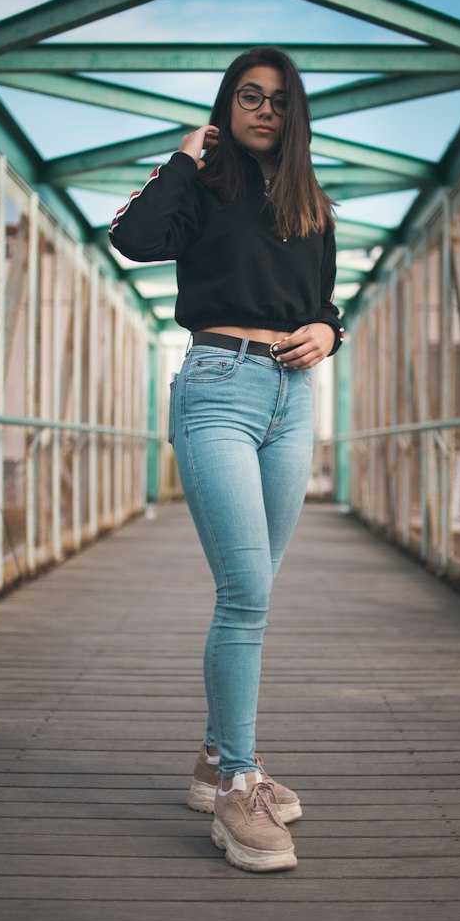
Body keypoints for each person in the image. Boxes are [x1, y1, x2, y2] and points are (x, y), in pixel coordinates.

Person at [109, 47, 344, 873]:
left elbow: (322, 302)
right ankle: (238, 785)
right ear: (226, 104)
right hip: (217, 385)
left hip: (293, 398)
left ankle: (214, 759)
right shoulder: (202, 184)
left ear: (295, 113)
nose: (263, 110)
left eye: (278, 101)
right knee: (244, 592)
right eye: (248, 96)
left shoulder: (314, 203)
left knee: (257, 591)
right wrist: (182, 154)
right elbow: (131, 239)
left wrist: (330, 330)